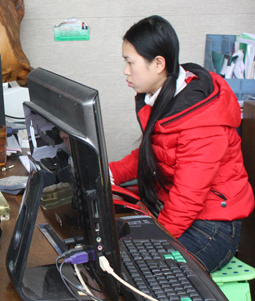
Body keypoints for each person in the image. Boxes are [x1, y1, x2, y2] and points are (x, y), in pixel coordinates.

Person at [109, 15, 255, 272]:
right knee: (112, 248)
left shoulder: (200, 120)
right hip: (178, 210)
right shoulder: (162, 96)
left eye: (130, 62)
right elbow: (153, 153)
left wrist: (154, 241)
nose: (126, 71)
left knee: (136, 268)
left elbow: (188, 198)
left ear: (158, 64)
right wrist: (110, 173)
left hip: (212, 227)